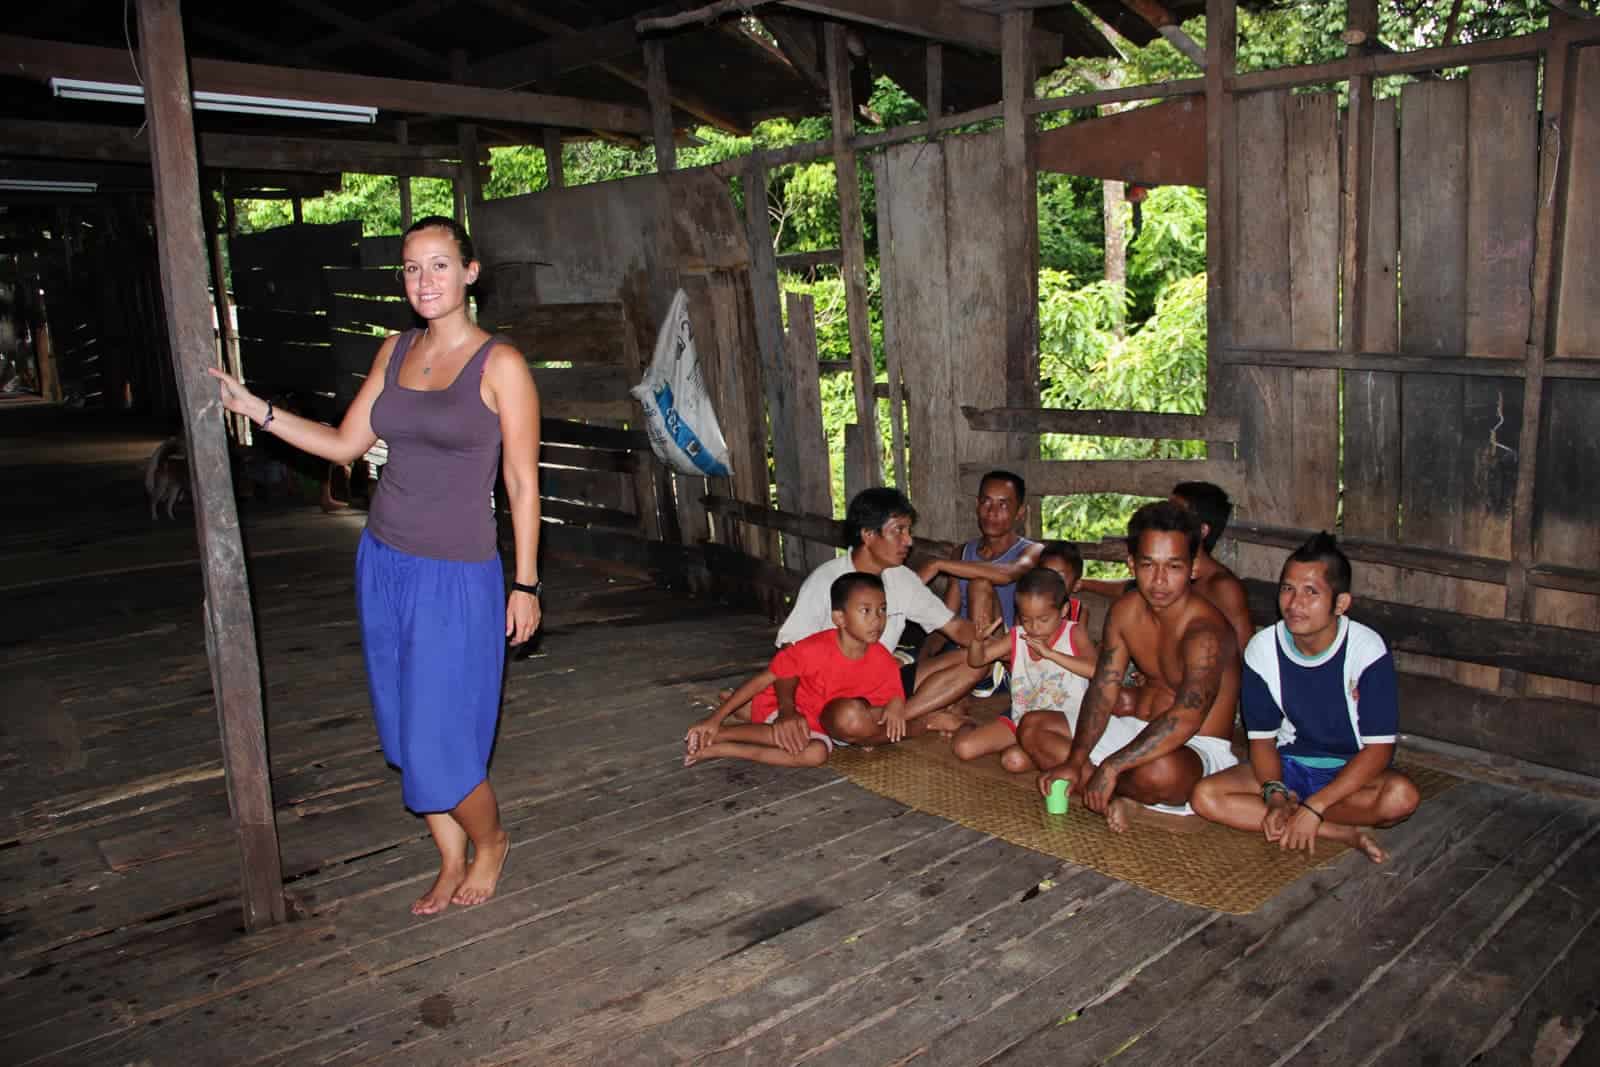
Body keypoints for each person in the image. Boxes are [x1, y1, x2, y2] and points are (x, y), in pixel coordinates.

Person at [207, 216, 539, 916]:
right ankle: (448, 854)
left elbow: (521, 483)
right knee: (400, 725)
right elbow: (341, 444)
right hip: (383, 560)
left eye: (440, 265)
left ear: (470, 271)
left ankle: (492, 840)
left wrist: (526, 582)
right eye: (413, 268)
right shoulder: (393, 349)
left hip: (456, 575)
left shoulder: (500, 364)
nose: (426, 280)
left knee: (439, 739)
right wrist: (256, 408)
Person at [1191, 534, 1420, 862]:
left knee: (1400, 799)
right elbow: (1262, 741)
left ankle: (1307, 815)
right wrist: (1274, 794)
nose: (1294, 603)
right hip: (1290, 768)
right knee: (1206, 796)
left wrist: (1316, 804)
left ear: (1340, 603)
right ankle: (1340, 832)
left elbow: (1379, 749)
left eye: (1311, 592)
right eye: (1287, 589)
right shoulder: (1262, 649)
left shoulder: (1365, 649)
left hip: (1348, 773)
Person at [1036, 501, 1240, 832]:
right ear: (1132, 564)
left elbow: (1186, 718)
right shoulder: (1125, 612)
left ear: (1193, 568)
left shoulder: (1206, 633)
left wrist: (1113, 766)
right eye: (1148, 565)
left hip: (1194, 750)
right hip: (1135, 730)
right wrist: (1075, 760)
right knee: (1034, 728)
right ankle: (1109, 790)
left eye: (1173, 567)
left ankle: (1113, 787)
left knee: (1160, 773)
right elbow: (1103, 690)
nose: (1159, 580)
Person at [773, 487, 978, 741]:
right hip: (832, 697)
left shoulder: (901, 578)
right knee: (848, 719)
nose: (909, 541)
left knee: (977, 659)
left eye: (908, 531)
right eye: (898, 531)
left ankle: (899, 716)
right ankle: (924, 721)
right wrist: (787, 710)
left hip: (883, 685)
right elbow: (787, 652)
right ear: (868, 535)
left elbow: (956, 628)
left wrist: (1007, 647)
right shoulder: (826, 580)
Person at [684, 573, 908, 767]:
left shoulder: (882, 658)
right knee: (796, 733)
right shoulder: (815, 647)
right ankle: (720, 735)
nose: (877, 620)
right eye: (865, 611)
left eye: (882, 610)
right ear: (839, 618)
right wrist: (714, 719)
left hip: (820, 724)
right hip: (787, 708)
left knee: (816, 754)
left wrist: (893, 709)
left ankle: (726, 749)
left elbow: (893, 694)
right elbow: (765, 678)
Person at [952, 568, 1095, 772]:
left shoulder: (1073, 632)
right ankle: (963, 723)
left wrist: (1051, 654)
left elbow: (1096, 670)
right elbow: (977, 661)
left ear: (1063, 611)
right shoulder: (1017, 636)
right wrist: (977, 642)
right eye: (1027, 620)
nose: (1035, 627)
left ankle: (1032, 751)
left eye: (1043, 619)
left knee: (1014, 760)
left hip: (1067, 721)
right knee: (963, 748)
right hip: (1023, 715)